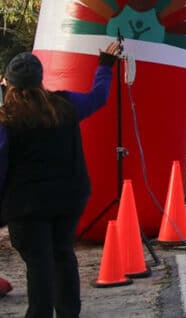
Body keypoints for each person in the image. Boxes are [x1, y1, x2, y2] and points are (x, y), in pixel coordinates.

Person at [0, 41, 120, 317]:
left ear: (10, 83)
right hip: (69, 196)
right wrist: (105, 66)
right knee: (63, 255)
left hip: (26, 204)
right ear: (41, 79)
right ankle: (69, 313)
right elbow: (98, 97)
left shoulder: (6, 119)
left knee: (38, 264)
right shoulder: (65, 105)